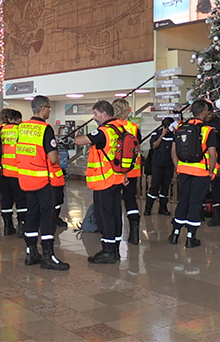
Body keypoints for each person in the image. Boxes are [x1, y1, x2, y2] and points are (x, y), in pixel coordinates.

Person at [16, 95, 69, 271]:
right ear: (43, 108)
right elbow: (53, 158)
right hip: (45, 182)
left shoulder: (22, 128)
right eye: (49, 108)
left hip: (27, 179)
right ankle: (48, 255)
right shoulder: (45, 129)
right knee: (48, 218)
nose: (49, 111)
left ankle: (31, 252)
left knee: (31, 215)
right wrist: (57, 155)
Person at [75, 100, 124, 264]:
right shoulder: (120, 128)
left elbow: (80, 141)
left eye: (96, 114)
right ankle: (115, 248)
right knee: (116, 214)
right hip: (117, 178)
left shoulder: (104, 131)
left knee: (105, 216)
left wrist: (78, 135)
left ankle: (108, 251)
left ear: (104, 114)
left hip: (104, 181)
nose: (94, 117)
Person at [169, 100, 218, 248]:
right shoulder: (208, 130)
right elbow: (212, 154)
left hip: (184, 170)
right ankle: (191, 237)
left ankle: (175, 233)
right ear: (203, 111)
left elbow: (173, 151)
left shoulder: (180, 127)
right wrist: (211, 172)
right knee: (195, 203)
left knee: (183, 201)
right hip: (201, 173)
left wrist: (179, 167)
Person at [112, 98, 142, 246]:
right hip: (132, 170)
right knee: (131, 200)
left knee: (115, 201)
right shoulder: (134, 127)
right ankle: (135, 232)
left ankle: (115, 233)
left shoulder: (111, 128)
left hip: (115, 171)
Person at [0, 108, 27, 236]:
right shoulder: (21, 131)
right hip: (17, 171)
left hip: (3, 171)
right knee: (21, 200)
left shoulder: (0, 131)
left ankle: (7, 226)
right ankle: (22, 226)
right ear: (19, 120)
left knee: (6, 199)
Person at [204, 102, 220, 227]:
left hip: (216, 159)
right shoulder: (201, 123)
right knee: (202, 186)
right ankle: (201, 211)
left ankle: (217, 214)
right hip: (202, 162)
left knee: (216, 187)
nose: (207, 116)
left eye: (209, 113)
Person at [144, 117, 175, 216]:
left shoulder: (174, 136)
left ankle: (163, 207)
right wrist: (162, 135)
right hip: (157, 164)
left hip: (169, 165)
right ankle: (148, 208)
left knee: (165, 187)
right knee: (155, 186)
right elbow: (154, 145)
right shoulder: (156, 134)